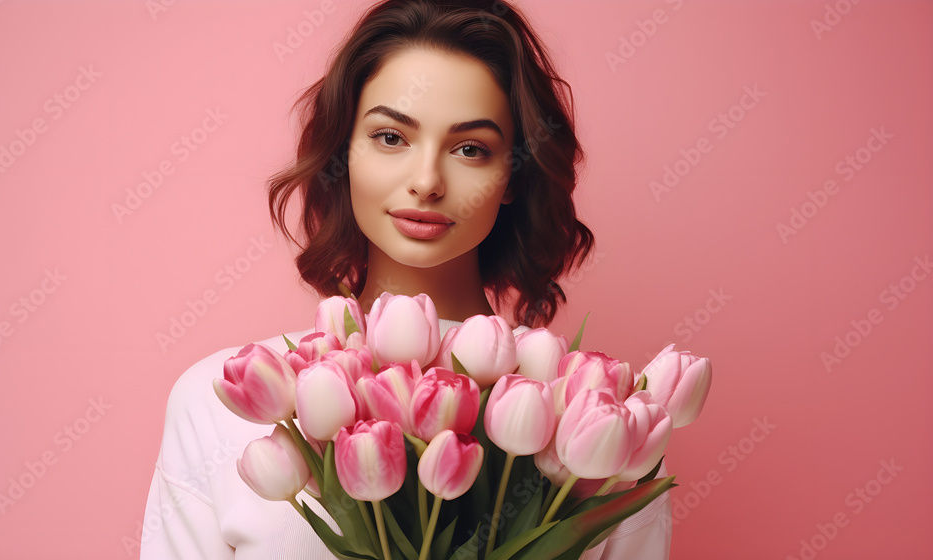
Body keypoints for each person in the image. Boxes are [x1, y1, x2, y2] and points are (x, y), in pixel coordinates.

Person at [141, 0, 672, 558]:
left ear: (512, 175)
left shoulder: (602, 420)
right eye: (391, 137)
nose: (426, 181)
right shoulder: (221, 399)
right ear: (344, 152)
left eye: (471, 148)